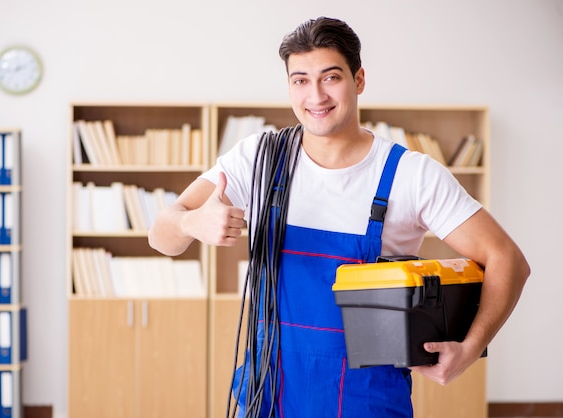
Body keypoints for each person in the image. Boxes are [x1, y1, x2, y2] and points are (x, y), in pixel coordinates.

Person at [148, 16, 530, 418]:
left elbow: (508, 261)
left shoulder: (410, 175)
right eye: (300, 80)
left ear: (359, 79)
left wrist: (469, 349)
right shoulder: (258, 159)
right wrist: (191, 223)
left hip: (367, 401)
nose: (315, 96)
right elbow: (161, 234)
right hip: (268, 394)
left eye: (331, 77)